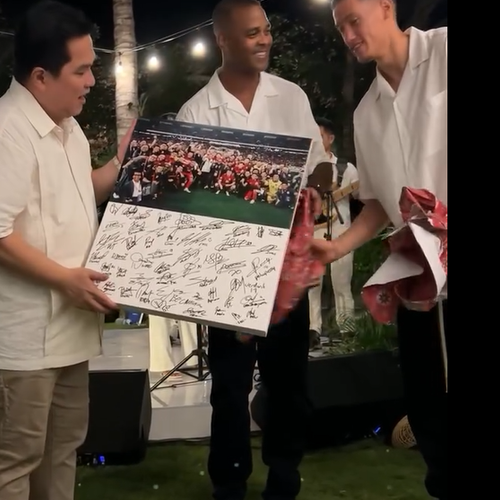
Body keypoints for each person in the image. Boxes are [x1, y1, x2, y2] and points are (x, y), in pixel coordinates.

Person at [0, 2, 131, 499]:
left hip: (68, 328)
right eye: (81, 70)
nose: (92, 81)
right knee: (14, 460)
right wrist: (65, 278)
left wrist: (121, 163)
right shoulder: (0, 133)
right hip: (16, 339)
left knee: (62, 448)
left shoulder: (69, 129)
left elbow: (77, 193)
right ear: (41, 76)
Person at [176, 1, 328, 498]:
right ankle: (229, 482)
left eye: (265, 31)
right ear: (222, 40)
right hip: (228, 274)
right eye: (250, 34)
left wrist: (317, 189)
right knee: (229, 386)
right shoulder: (196, 111)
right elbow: (188, 202)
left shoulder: (291, 96)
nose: (264, 41)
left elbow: (320, 163)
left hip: (286, 268)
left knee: (288, 382)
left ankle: (284, 477)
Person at [316, 0, 447, 498]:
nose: (348, 35)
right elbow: (375, 205)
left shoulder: (444, 51)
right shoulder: (366, 111)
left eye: (355, 20)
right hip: (417, 277)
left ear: (386, 7)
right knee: (428, 403)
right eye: (340, 28)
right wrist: (335, 247)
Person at [307, 117, 359, 349]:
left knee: (341, 283)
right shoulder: (307, 168)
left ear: (330, 138)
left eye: (320, 136)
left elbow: (361, 196)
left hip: (341, 232)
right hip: (313, 231)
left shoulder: (346, 169)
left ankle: (347, 329)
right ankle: (313, 330)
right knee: (312, 285)